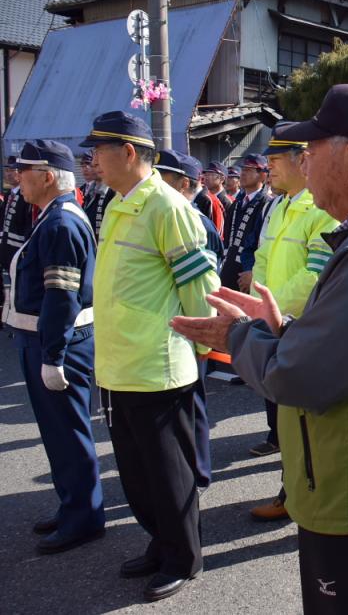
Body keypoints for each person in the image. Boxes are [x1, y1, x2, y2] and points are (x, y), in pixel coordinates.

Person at [171, 83, 348, 614]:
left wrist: (235, 335)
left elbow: (300, 378)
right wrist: (284, 329)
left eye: (311, 151)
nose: (302, 163)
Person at [84, 111, 219, 603]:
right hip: (119, 363)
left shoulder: (167, 206)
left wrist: (203, 344)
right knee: (137, 472)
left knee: (169, 473)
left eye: (99, 151)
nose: (92, 160)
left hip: (158, 367)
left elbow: (199, 287)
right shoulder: (118, 202)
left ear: (128, 152)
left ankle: (184, 556)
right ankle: (161, 542)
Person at [4, 139, 104, 554]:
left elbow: (61, 297)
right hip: (46, 339)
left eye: (24, 171)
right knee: (57, 433)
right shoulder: (52, 215)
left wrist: (53, 356)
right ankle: (71, 507)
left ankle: (84, 518)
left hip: (58, 343)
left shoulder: (61, 222)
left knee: (69, 433)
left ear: (47, 177)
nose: (17, 178)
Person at [246, 123, 338, 523]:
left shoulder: (321, 208)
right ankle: (295, 489)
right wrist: (257, 306)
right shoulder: (278, 206)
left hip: (300, 327)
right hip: (274, 323)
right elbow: (262, 260)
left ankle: (301, 494)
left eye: (276, 159)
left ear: (303, 161)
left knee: (303, 423)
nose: (269, 167)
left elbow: (314, 275)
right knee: (282, 417)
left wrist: (268, 310)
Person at [155, 149, 225, 491]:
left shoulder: (195, 220)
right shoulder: (168, 214)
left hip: (191, 324)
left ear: (184, 183)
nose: (156, 184)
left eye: (163, 178)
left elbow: (206, 283)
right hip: (173, 324)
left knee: (192, 400)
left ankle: (198, 470)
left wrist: (203, 335)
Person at [220, 154, 269, 294]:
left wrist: (252, 270)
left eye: (249, 170)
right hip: (229, 268)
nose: (243, 174)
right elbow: (227, 237)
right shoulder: (237, 203)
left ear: (263, 175)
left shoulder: (266, 203)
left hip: (249, 272)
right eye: (243, 169)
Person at [81, 149, 114, 239]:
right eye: (82, 165)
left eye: (90, 164)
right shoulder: (85, 191)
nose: (86, 168)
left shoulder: (113, 191)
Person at [194, 162, 225, 237]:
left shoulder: (225, 201)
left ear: (222, 179)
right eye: (206, 174)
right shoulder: (202, 197)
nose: (207, 177)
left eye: (211, 174)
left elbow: (217, 232)